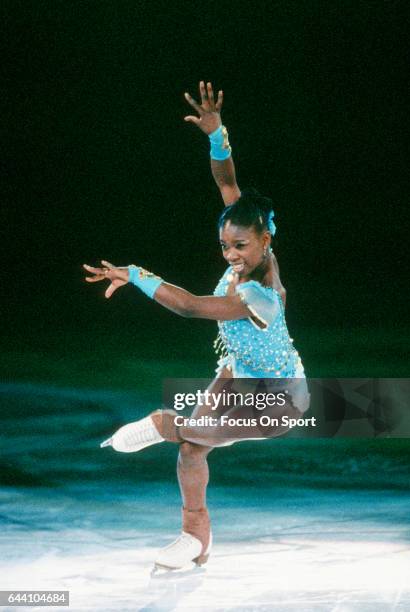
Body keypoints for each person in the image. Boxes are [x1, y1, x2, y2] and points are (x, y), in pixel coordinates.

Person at [84, 81, 310, 571]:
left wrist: (137, 274)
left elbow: (188, 307)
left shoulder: (259, 295)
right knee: (191, 450)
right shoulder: (248, 233)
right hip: (237, 374)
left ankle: (161, 424)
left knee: (183, 431)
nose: (231, 254)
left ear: (266, 240)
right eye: (226, 246)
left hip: (278, 399)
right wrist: (217, 134)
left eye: (241, 247)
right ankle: (196, 539)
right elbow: (228, 185)